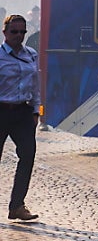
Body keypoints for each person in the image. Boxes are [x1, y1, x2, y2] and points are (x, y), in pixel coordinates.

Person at [0, 14, 41, 222]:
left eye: (22, 32)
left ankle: (17, 205)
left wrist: (35, 111)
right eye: (14, 32)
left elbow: (35, 84)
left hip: (23, 112)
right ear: (4, 32)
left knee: (28, 155)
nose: (19, 36)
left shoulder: (31, 55)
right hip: (1, 110)